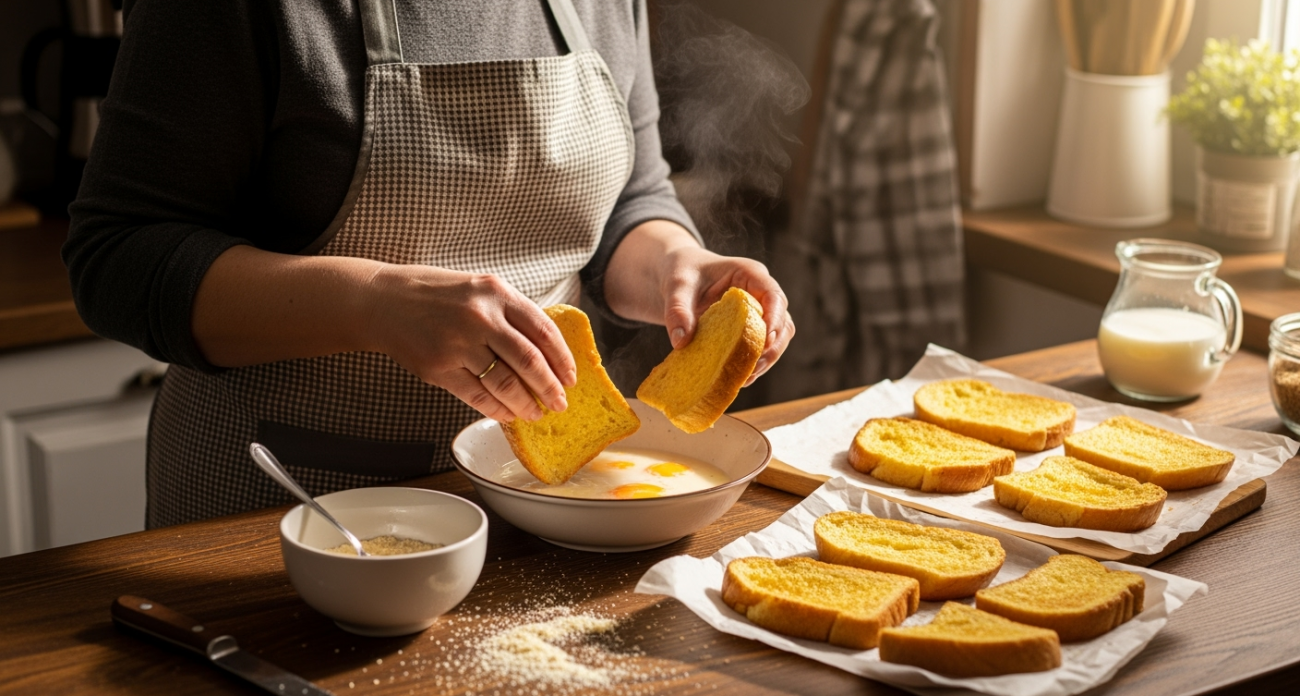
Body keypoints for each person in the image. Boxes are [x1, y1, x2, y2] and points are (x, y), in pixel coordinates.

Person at [65, 0, 794, 528]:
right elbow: (119, 257)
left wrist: (679, 266)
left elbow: (629, 201)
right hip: (287, 511)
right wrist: (376, 302)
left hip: (547, 507)